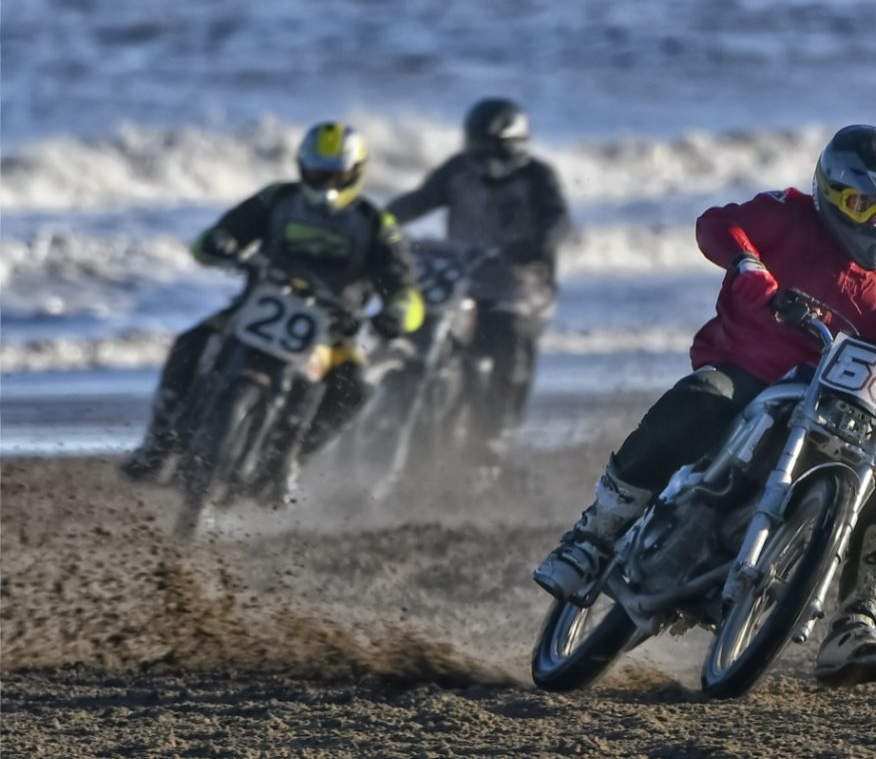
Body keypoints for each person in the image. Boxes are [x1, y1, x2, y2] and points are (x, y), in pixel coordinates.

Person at [531, 125, 876, 688]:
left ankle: (856, 623)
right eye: (860, 203)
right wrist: (749, 264)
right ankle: (595, 536)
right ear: (829, 192)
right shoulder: (788, 215)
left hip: (839, 403)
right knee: (702, 399)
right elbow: (717, 224)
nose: (875, 220)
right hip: (750, 374)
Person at [120, 122, 424, 485]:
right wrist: (221, 245)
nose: (325, 182)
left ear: (354, 174)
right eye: (317, 173)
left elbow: (405, 288)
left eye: (335, 174)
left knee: (354, 387)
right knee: (189, 343)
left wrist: (397, 313)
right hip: (255, 307)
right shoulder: (277, 199)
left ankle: (292, 460)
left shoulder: (376, 224)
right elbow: (214, 239)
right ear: (302, 166)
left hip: (331, 332)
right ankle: (157, 445)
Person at [387, 98, 571, 459]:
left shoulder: (538, 177)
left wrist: (534, 248)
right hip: (465, 276)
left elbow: (558, 221)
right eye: (479, 149)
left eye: (496, 150)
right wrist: (378, 224)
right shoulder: (458, 170)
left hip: (521, 282)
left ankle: (497, 432)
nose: (487, 159)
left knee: (512, 336)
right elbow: (419, 200)